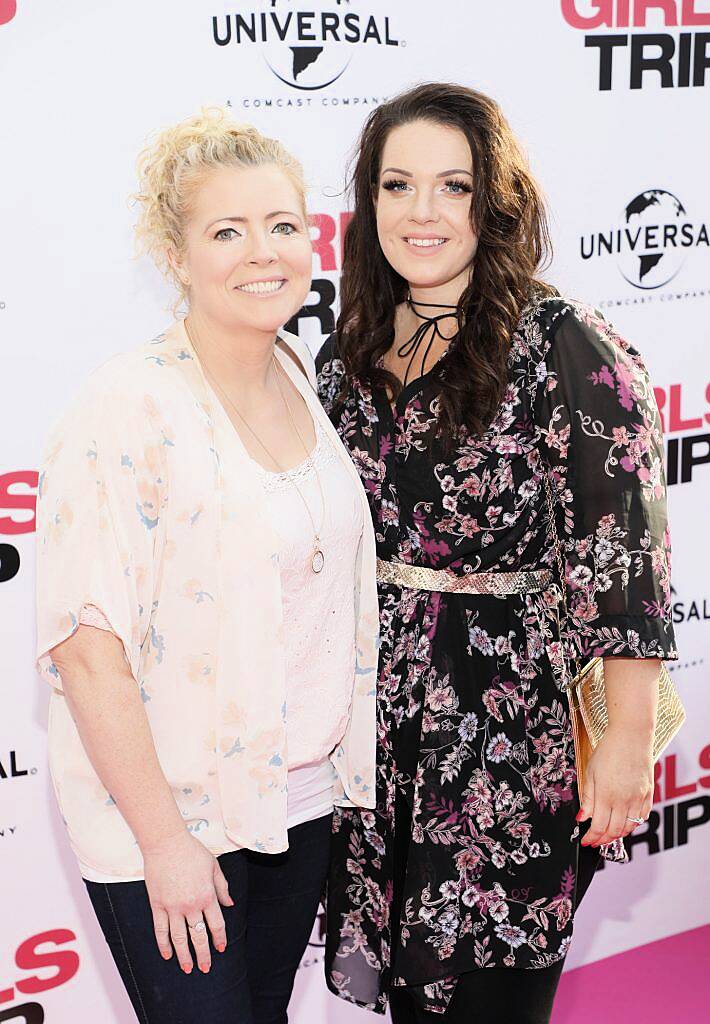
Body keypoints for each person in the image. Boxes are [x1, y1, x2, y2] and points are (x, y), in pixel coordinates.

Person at [316, 83, 677, 1024]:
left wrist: (627, 747)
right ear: (370, 201)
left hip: (512, 735)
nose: (422, 212)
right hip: (375, 736)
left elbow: (622, 553)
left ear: (496, 200)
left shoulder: (562, 343)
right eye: (397, 185)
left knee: (491, 996)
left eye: (454, 186)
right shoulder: (344, 352)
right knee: (412, 999)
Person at [34, 108, 378, 1024]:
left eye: (280, 225)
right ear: (176, 257)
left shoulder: (300, 373)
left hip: (297, 806)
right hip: (177, 825)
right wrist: (165, 841)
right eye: (226, 231)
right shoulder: (128, 404)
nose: (262, 252)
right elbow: (84, 647)